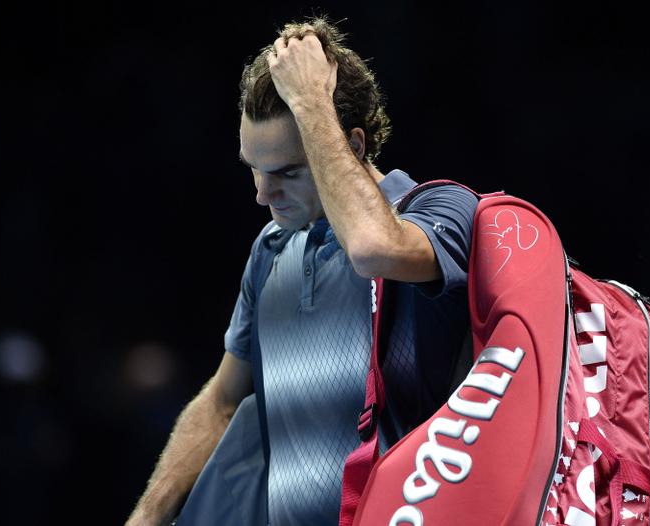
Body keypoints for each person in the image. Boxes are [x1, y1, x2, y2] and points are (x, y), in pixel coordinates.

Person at [126, 16, 479, 526]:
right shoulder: (269, 251)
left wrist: (314, 101)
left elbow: (372, 248)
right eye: (254, 167)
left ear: (353, 146)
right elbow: (223, 403)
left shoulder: (438, 211)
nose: (262, 195)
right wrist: (148, 515)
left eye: (287, 173)